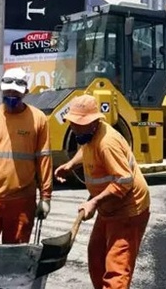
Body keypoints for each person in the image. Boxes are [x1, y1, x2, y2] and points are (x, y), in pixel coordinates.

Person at [54, 94, 150, 289]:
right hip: (109, 207)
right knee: (96, 257)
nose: (74, 128)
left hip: (127, 210)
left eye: (79, 124)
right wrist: (72, 164)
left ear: (95, 121)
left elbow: (124, 182)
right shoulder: (89, 135)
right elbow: (86, 149)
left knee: (116, 269)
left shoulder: (107, 144)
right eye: (73, 124)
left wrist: (94, 202)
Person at [0, 67, 53, 245]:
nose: (11, 95)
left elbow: (44, 160)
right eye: (8, 91)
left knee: (14, 260)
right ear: (1, 89)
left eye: (16, 92)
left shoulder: (38, 119)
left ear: (26, 92)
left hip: (21, 201)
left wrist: (46, 198)